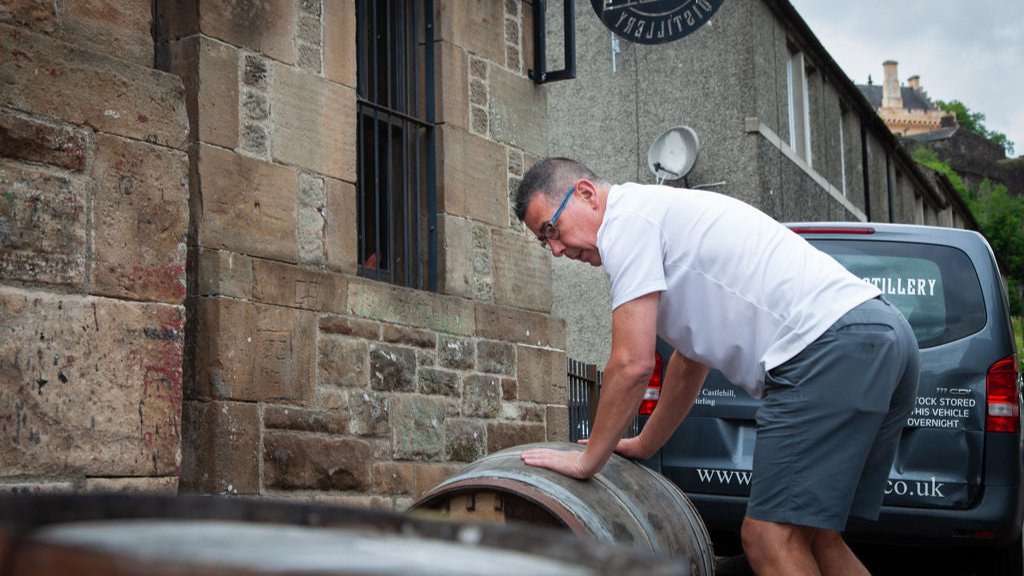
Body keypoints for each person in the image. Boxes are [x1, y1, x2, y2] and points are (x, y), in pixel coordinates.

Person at [514, 157, 919, 575]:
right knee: (818, 539)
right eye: (545, 243)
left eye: (551, 229)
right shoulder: (656, 217)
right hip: (882, 335)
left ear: (586, 194)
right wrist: (646, 443)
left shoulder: (625, 223)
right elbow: (689, 361)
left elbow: (632, 363)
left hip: (829, 347)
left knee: (767, 537)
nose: (557, 250)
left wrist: (587, 461)